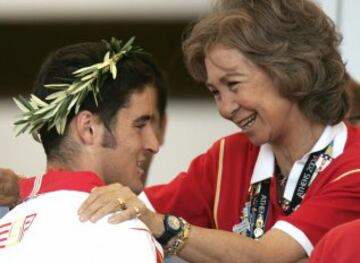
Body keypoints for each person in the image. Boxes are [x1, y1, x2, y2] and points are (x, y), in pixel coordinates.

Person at [74, 1, 360, 263]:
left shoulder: (354, 169)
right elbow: (130, 212)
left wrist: (158, 223)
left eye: (233, 84)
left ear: (290, 70)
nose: (225, 108)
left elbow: (268, 257)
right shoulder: (226, 156)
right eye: (214, 92)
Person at [0, 37, 165, 262]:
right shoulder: (119, 230)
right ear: (88, 128)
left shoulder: (6, 228)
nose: (153, 145)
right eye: (139, 125)